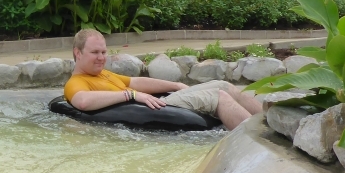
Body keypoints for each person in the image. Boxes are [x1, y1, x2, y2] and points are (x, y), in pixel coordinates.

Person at [63, 29, 262, 130]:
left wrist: (175, 85)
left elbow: (136, 82)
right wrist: (130, 96)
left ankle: (266, 121)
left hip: (154, 100)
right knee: (217, 96)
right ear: (78, 53)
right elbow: (83, 101)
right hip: (157, 107)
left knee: (224, 85)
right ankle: (254, 136)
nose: (101, 57)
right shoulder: (77, 82)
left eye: (103, 52)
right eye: (94, 52)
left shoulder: (103, 74)